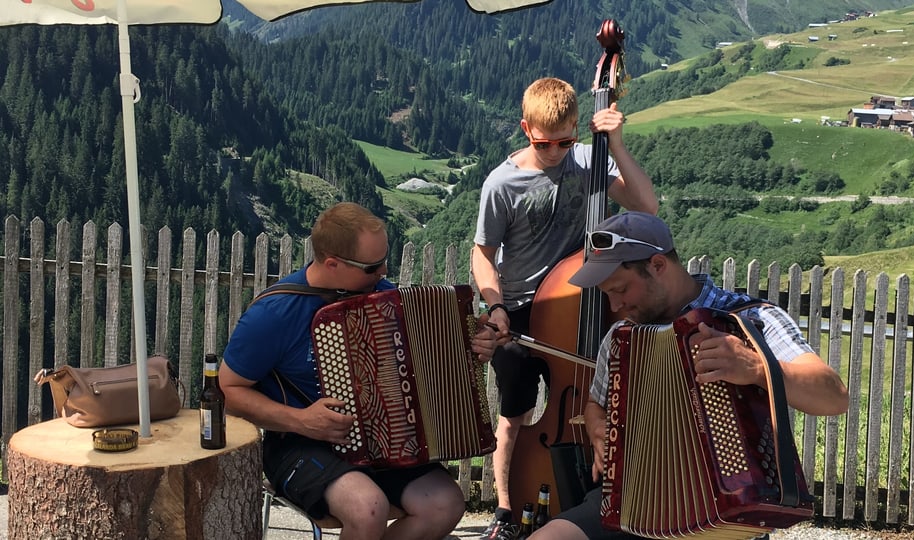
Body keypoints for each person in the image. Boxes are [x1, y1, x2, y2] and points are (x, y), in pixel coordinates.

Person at [527, 211, 850, 540]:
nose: (616, 303)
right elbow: (597, 403)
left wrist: (755, 367)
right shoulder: (622, 337)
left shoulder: (750, 318)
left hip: (723, 509)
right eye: (607, 293)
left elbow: (834, 396)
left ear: (657, 265)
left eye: (621, 288)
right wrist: (597, 426)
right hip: (635, 499)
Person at [219, 202, 501, 540]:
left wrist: (473, 343)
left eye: (384, 261)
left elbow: (432, 360)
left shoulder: (385, 298)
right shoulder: (274, 313)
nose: (383, 272)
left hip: (384, 445)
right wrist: (301, 420)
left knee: (445, 503)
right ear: (332, 263)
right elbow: (227, 392)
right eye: (372, 267)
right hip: (297, 444)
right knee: (368, 509)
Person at [472, 76, 659, 540]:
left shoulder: (585, 159)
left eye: (565, 140)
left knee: (604, 400)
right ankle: (503, 509)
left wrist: (613, 144)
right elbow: (482, 253)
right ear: (525, 128)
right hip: (518, 311)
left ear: (577, 128)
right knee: (516, 410)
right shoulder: (503, 183)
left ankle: (608, 503)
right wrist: (495, 305)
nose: (556, 151)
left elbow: (647, 207)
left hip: (579, 306)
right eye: (544, 142)